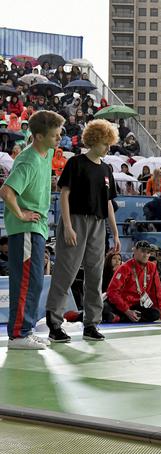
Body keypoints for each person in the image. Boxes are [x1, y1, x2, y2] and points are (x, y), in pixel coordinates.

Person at [45, 119, 121, 343]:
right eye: (107, 143)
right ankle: (54, 324)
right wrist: (67, 225)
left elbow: (108, 203)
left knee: (95, 276)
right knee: (65, 273)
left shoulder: (107, 169)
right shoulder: (76, 163)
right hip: (76, 221)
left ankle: (91, 323)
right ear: (96, 140)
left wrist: (115, 233)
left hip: (98, 225)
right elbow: (65, 195)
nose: (109, 148)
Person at [0, 111, 64, 350]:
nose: (59, 138)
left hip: (37, 228)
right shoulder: (28, 160)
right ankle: (18, 335)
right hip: (26, 229)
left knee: (35, 280)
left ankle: (25, 330)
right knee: (26, 280)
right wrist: (21, 214)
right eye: (54, 134)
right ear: (38, 136)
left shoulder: (45, 153)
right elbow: (6, 192)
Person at [105, 240, 161, 323]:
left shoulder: (152, 267)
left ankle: (118, 318)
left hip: (137, 305)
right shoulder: (125, 268)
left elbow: (157, 292)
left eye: (148, 252)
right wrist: (127, 310)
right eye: (143, 251)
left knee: (156, 313)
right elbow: (112, 292)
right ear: (134, 251)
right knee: (103, 307)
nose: (146, 255)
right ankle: (121, 317)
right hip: (120, 304)